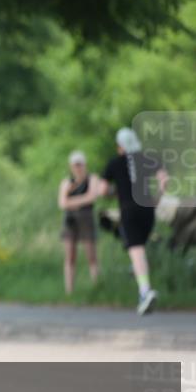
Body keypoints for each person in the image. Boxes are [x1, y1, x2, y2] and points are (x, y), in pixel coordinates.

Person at [95, 127, 168, 315]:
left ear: (120, 146)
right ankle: (138, 277)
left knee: (137, 251)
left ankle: (145, 292)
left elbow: (102, 190)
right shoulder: (146, 158)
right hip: (148, 210)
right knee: (140, 249)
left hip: (129, 210)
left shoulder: (115, 163)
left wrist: (115, 191)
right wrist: (157, 198)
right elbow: (164, 179)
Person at [57, 150, 99, 295]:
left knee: (91, 254)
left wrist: (72, 201)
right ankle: (69, 291)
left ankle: (96, 287)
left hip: (86, 218)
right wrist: (80, 200)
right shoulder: (67, 182)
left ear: (85, 165)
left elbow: (92, 197)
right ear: (71, 166)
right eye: (75, 165)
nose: (78, 168)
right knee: (69, 256)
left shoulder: (92, 179)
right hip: (70, 220)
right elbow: (62, 203)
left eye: (80, 164)